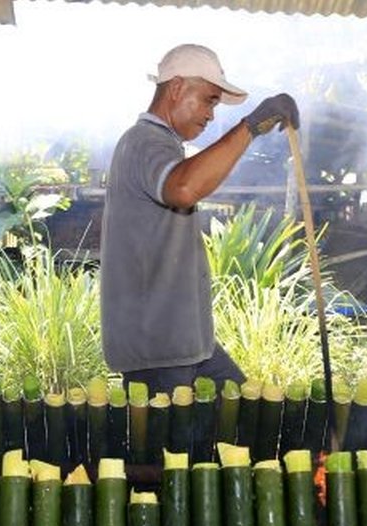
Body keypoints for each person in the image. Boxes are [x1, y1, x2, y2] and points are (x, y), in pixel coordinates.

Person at [100, 43, 300, 394]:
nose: (210, 115)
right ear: (176, 88)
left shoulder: (163, 145)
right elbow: (184, 187)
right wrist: (250, 126)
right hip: (158, 351)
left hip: (186, 346)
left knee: (244, 411)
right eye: (209, 100)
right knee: (175, 447)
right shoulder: (143, 141)